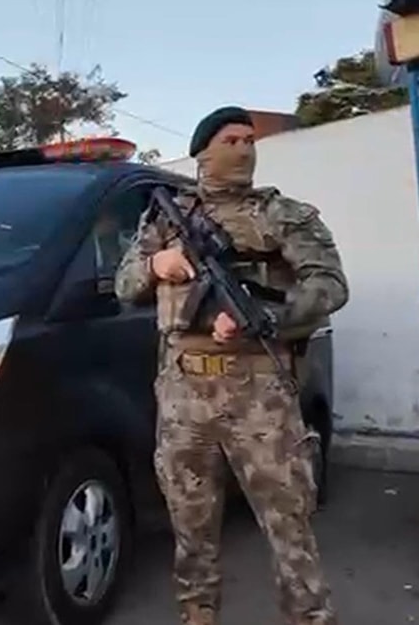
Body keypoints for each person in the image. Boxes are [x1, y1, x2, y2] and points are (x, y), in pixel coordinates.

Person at [114, 106, 348, 625]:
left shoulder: (282, 214)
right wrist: (156, 264)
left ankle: (309, 616)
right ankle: (198, 615)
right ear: (203, 151)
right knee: (190, 525)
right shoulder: (163, 219)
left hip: (259, 392)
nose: (243, 150)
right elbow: (125, 285)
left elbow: (330, 285)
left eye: (249, 141)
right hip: (184, 393)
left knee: (289, 525)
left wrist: (267, 316)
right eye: (230, 141)